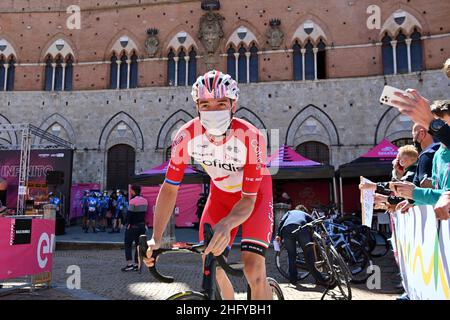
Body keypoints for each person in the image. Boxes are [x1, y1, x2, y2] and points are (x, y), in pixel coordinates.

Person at [143, 70, 274, 300]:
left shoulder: (251, 137)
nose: (213, 111)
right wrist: (156, 237)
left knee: (253, 269)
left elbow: (249, 199)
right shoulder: (185, 136)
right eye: (205, 104)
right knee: (210, 260)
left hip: (254, 197)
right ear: (197, 107)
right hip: (220, 195)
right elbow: (170, 187)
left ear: (234, 105)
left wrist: (228, 224)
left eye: (221, 103)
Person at [393, 100, 450, 210]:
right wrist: (415, 201)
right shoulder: (437, 155)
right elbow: (438, 192)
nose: (437, 129)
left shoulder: (431, 153)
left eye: (443, 124)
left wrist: (415, 194)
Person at [275, 205, 330, 286]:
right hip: (301, 228)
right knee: (309, 255)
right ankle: (320, 279)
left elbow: (281, 221)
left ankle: (293, 279)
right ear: (304, 211)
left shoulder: (289, 212)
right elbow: (316, 221)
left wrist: (278, 234)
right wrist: (322, 231)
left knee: (291, 256)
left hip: (286, 229)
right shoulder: (304, 214)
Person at [122, 185, 148, 272]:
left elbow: (129, 214)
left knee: (128, 245)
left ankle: (129, 264)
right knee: (138, 246)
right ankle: (137, 264)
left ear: (133, 191)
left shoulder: (132, 201)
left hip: (132, 226)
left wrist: (126, 223)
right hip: (142, 226)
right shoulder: (145, 201)